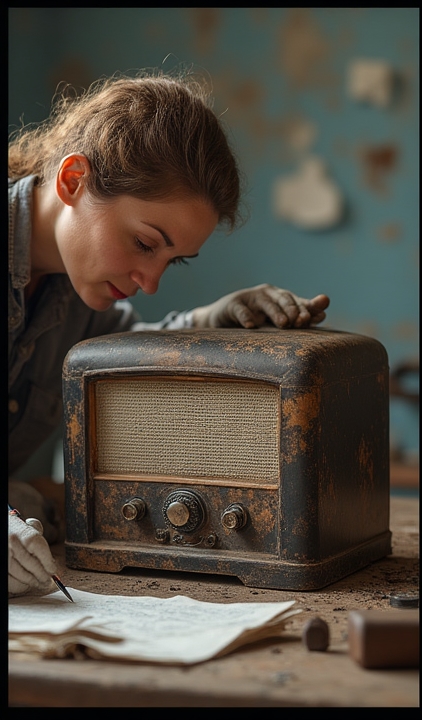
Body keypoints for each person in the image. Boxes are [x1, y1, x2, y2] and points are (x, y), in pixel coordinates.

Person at [9, 71, 329, 598]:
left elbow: (127, 360)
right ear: (72, 181)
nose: (150, 282)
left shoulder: (78, 297)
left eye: (172, 262)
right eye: (143, 242)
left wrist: (213, 321)